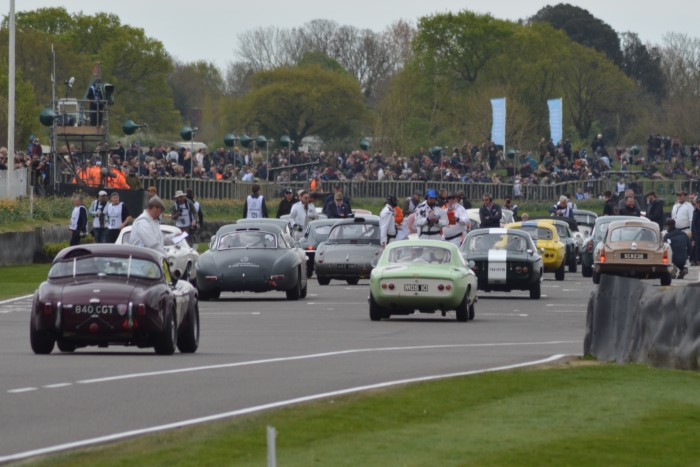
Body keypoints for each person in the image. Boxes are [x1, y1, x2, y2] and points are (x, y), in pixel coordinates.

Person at [690, 198, 700, 266]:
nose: (698, 204)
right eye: (697, 203)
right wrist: (693, 236)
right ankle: (697, 260)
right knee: (697, 246)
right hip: (697, 233)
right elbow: (693, 225)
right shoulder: (695, 212)